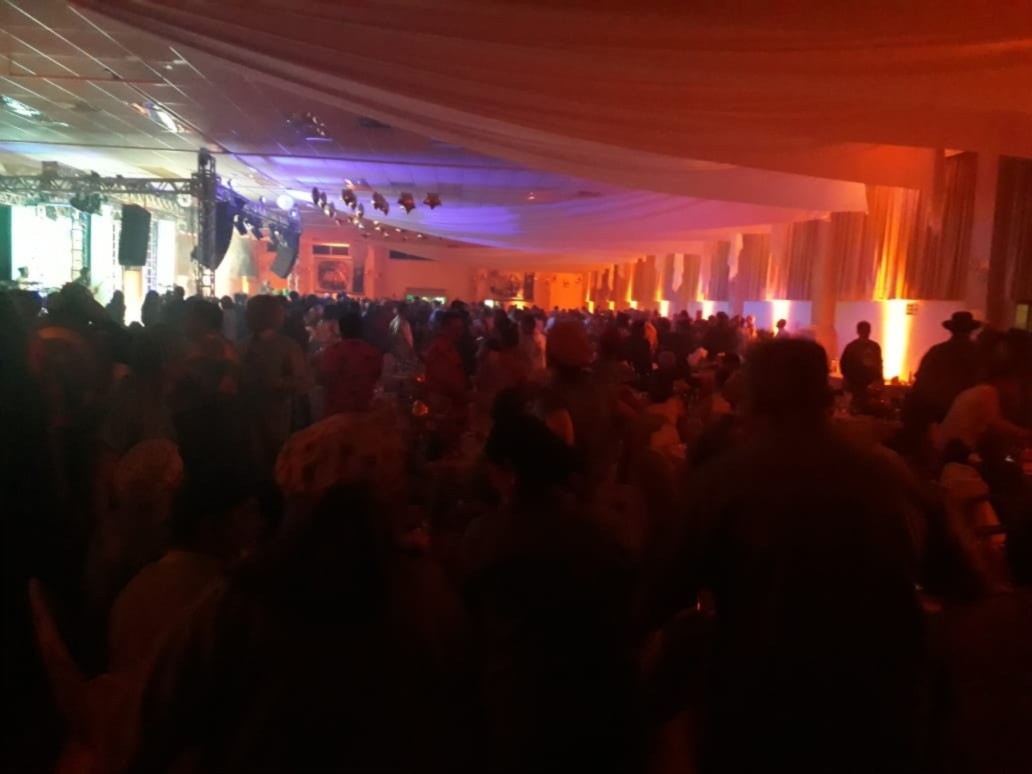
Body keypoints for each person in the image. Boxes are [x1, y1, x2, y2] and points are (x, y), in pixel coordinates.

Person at [647, 339, 928, 774]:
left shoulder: (725, 482)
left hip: (759, 702)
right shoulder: (886, 473)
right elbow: (953, 574)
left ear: (755, 398)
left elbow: (662, 592)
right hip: (875, 703)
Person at [237, 295, 310, 469]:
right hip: (250, 414)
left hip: (278, 415)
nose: (245, 316)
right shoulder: (244, 344)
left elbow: (302, 383)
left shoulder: (286, 346)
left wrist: (275, 383)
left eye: (249, 312)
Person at [937, 363, 1029, 452]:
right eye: (1013, 383)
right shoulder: (987, 391)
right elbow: (996, 425)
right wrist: (1024, 433)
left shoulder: (975, 391)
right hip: (954, 453)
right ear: (1002, 380)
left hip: (948, 450)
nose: (1014, 388)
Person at [912, 311, 982, 419]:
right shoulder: (978, 352)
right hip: (969, 408)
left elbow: (922, 379)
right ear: (971, 330)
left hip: (938, 408)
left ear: (952, 330)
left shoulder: (937, 351)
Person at [318, 311, 383, 415]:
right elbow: (376, 378)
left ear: (340, 330)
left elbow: (322, 379)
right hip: (363, 411)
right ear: (361, 329)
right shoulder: (372, 352)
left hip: (336, 413)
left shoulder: (331, 352)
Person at [840, 320, 883, 411]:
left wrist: (879, 378)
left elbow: (879, 363)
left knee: (861, 407)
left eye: (867, 330)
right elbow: (844, 364)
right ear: (859, 331)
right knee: (860, 406)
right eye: (864, 330)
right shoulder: (873, 346)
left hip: (866, 382)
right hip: (856, 382)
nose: (866, 332)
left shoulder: (853, 346)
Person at [517, 313, 546, 379]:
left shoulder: (538, 339)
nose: (521, 327)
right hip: (526, 372)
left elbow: (539, 357)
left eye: (523, 325)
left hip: (535, 373)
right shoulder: (521, 336)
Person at [389, 301, 417, 369]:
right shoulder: (404, 323)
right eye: (408, 309)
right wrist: (411, 349)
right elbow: (408, 339)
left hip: (396, 349)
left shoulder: (393, 321)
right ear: (404, 310)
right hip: (403, 350)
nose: (410, 311)